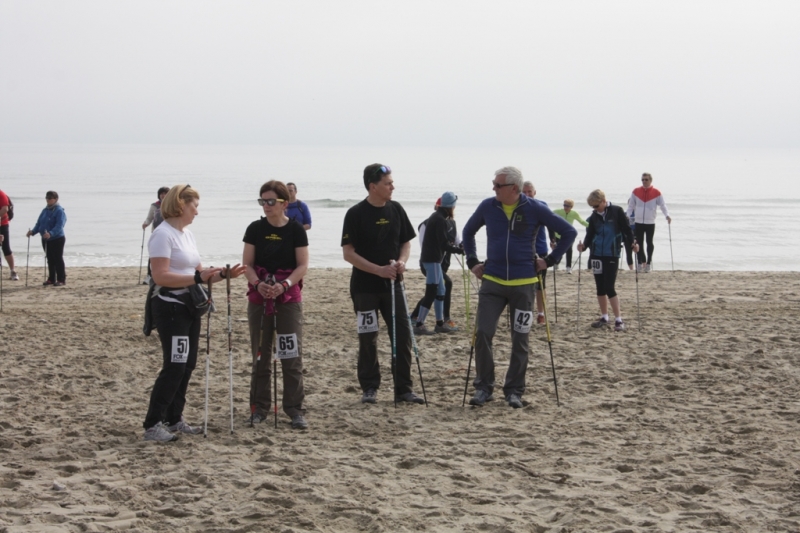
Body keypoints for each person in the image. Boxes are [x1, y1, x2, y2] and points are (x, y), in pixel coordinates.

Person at [463, 167, 576, 409]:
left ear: (514, 188)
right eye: (493, 184)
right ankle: (484, 387)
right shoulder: (487, 206)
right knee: (483, 333)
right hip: (492, 282)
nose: (494, 188)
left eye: (498, 185)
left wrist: (549, 260)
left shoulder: (534, 208)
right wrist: (472, 262)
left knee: (520, 339)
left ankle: (514, 390)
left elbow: (569, 232)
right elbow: (468, 231)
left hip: (523, 285)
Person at [142, 184, 245, 442]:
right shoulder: (162, 234)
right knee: (175, 365)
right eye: (194, 206)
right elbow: (160, 276)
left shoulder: (186, 235)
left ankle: (174, 418)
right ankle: (153, 423)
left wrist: (223, 274)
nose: (197, 212)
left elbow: (199, 274)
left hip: (190, 306)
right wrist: (199, 277)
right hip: (170, 306)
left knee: (187, 365)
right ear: (180, 204)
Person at [341, 163, 424, 405]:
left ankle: (403, 389)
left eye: (392, 183)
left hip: (394, 286)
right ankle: (369, 387)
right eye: (388, 184)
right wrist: (378, 270)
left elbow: (406, 242)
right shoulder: (355, 213)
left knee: (402, 335)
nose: (392, 187)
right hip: (364, 288)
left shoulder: (396, 209)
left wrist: (401, 261)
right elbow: (348, 253)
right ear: (373, 187)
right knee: (368, 337)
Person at [243, 180, 309, 430]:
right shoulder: (255, 228)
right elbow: (247, 265)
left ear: (284, 203)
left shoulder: (296, 230)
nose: (266, 205)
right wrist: (258, 283)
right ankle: (259, 408)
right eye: (263, 201)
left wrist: (285, 284)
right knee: (261, 355)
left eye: (271, 201)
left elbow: (302, 265)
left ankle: (294, 409)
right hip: (260, 298)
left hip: (288, 298)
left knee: (290, 355)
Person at [576, 189, 638, 332]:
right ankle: (604, 317)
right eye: (592, 207)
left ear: (604, 201)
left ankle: (619, 320)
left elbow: (627, 230)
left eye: (596, 206)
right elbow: (590, 235)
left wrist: (633, 244)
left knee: (609, 287)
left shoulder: (617, 211)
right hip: (597, 255)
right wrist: (583, 247)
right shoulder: (594, 216)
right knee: (600, 287)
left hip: (612, 254)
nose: (595, 209)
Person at [413, 191, 463, 335]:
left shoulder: (437, 217)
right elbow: (443, 244)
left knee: (441, 291)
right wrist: (459, 250)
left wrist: (458, 247)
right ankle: (419, 324)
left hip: (433, 260)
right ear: (451, 206)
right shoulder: (439, 220)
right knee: (431, 293)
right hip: (432, 261)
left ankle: (439, 323)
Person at [626, 173, 671, 272]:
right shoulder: (636, 191)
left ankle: (648, 263)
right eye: (642, 180)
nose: (644, 181)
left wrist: (667, 215)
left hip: (650, 222)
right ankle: (639, 263)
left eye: (646, 179)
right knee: (638, 243)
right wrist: (627, 216)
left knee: (649, 242)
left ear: (650, 180)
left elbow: (663, 205)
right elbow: (631, 206)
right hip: (638, 222)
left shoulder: (656, 192)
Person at [521, 181, 550, 324]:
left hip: (541, 250)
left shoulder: (542, 206)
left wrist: (553, 240)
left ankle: (541, 313)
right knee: (524, 284)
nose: (527, 195)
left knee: (540, 284)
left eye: (529, 192)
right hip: (523, 251)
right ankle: (525, 312)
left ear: (534, 192)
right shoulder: (517, 207)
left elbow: (551, 224)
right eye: (524, 192)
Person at [27, 191, 67, 286]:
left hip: (57, 239)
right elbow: (39, 224)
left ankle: (61, 279)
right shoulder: (45, 210)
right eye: (47, 198)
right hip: (46, 239)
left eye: (50, 198)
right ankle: (51, 278)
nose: (48, 200)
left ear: (56, 199)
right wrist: (33, 231)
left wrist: (51, 233)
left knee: (58, 259)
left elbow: (59, 225)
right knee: (50, 259)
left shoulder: (59, 211)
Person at [551, 199, 589, 273]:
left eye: (567, 206)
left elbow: (582, 221)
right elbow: (548, 215)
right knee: (559, 250)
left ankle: (568, 267)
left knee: (569, 250)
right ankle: (556, 263)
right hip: (558, 235)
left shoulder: (574, 213)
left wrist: (593, 226)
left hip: (569, 235)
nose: (565, 207)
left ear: (571, 207)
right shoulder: (558, 211)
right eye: (564, 205)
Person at [141, 186, 169, 285]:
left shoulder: (172, 205)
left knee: (168, 255)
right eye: (161, 193)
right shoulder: (154, 206)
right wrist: (146, 223)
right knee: (153, 255)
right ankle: (149, 275)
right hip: (156, 233)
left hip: (169, 234)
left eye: (165, 193)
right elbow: (149, 218)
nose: (163, 195)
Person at [0, 189, 19, 281]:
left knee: (6, 248)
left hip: (2, 224)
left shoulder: (1, 194)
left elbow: (5, 209)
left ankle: (12, 271)